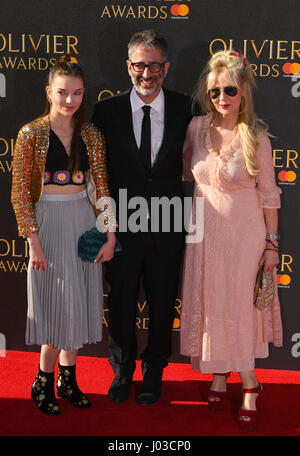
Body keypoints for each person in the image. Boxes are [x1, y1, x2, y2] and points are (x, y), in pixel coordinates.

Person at [180, 50, 283, 430]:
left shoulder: (257, 137)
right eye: (214, 91)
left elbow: (270, 195)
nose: (221, 97)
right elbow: (186, 170)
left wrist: (272, 244)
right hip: (204, 235)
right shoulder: (195, 127)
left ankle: (251, 383)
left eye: (229, 90)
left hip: (245, 237)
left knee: (240, 307)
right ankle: (219, 374)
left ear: (243, 92)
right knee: (211, 304)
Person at [11, 56, 117, 415]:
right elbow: (20, 195)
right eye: (61, 92)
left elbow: (102, 188)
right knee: (57, 307)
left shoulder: (91, 135)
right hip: (49, 225)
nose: (69, 100)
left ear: (83, 94)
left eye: (76, 93)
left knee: (79, 303)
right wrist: (34, 242)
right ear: (48, 92)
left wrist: (110, 235)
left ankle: (68, 380)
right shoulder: (31, 134)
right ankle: (42, 380)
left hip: (83, 221)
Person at [92, 29, 192, 406]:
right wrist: (105, 226)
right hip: (122, 226)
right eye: (139, 65)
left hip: (168, 224)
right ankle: (122, 370)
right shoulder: (107, 111)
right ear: (128, 66)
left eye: (154, 65)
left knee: (164, 301)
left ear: (165, 68)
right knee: (119, 302)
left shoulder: (186, 108)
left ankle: (154, 371)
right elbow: (98, 177)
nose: (146, 74)